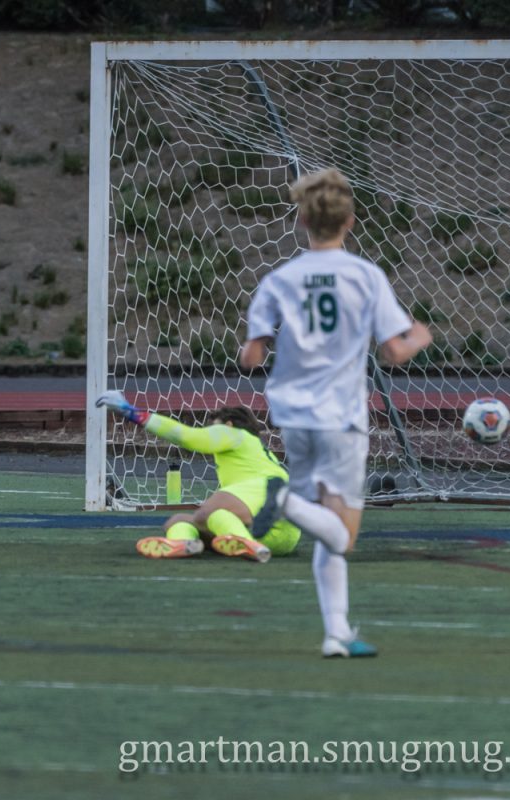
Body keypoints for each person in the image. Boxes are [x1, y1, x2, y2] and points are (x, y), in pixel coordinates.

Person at [240, 168, 433, 658]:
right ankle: (283, 502)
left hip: (292, 413)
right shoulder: (365, 276)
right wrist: (421, 336)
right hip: (341, 416)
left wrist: (262, 347)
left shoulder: (280, 278)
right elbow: (392, 351)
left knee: (324, 527)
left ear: (303, 219)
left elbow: (251, 356)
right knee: (342, 535)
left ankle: (337, 633)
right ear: (349, 219)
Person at [95, 393, 300, 562]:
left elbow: (185, 437)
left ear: (228, 424)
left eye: (213, 428)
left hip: (266, 494)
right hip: (283, 536)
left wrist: (130, 412)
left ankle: (243, 541)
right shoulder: (260, 453)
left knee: (207, 514)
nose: (210, 433)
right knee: (180, 520)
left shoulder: (234, 434)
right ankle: (184, 543)